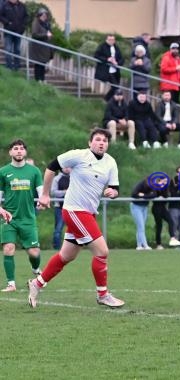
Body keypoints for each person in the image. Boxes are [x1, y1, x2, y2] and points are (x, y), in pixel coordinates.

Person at [28, 128, 124, 308]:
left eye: (105, 140)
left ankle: (37, 284)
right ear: (90, 142)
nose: (101, 142)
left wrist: (113, 192)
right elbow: (50, 167)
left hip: (88, 213)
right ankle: (102, 295)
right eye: (97, 139)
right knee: (102, 251)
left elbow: (115, 188)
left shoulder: (110, 162)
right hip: (74, 211)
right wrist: (45, 195)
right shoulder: (79, 155)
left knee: (66, 255)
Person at [0, 139, 43, 292]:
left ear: (25, 152)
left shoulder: (34, 171)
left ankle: (36, 269)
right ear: (10, 152)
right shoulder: (3, 171)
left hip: (28, 218)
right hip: (9, 218)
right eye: (15, 148)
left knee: (34, 252)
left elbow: (41, 191)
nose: (19, 151)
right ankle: (11, 284)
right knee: (8, 248)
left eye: (21, 149)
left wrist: (42, 201)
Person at [150, 177, 180, 249]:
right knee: (159, 226)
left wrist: (163, 189)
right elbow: (154, 195)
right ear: (159, 180)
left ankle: (172, 238)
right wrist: (159, 187)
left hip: (163, 208)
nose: (165, 182)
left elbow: (166, 196)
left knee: (171, 221)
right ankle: (158, 244)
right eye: (164, 181)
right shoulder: (155, 186)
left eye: (166, 181)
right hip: (156, 208)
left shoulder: (166, 187)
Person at [94, 34, 124, 102]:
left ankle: (108, 100)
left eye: (113, 40)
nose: (111, 41)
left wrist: (117, 63)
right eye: (110, 40)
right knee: (115, 87)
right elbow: (96, 55)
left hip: (115, 70)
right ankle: (106, 99)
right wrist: (107, 59)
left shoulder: (116, 47)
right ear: (106, 40)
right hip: (107, 70)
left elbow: (121, 58)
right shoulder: (102, 46)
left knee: (116, 86)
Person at [0, 0, 28, 71]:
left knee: (17, 50)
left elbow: (26, 16)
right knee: (8, 49)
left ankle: (16, 67)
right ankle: (9, 66)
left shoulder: (22, 6)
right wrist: (7, 22)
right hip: (9, 31)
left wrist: (23, 26)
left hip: (18, 31)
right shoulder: (5, 5)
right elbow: (1, 16)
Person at [130, 176, 156, 250]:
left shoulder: (152, 186)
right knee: (141, 226)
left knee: (141, 226)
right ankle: (145, 245)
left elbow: (153, 195)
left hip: (145, 207)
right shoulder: (140, 185)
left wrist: (143, 195)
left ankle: (139, 245)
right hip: (136, 207)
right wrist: (147, 196)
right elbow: (134, 194)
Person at [29, 8, 52, 82]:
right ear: (39, 15)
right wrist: (46, 35)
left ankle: (42, 79)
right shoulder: (36, 23)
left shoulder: (47, 24)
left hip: (44, 48)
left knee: (43, 64)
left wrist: (49, 35)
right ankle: (37, 79)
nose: (45, 16)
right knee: (38, 64)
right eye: (43, 15)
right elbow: (34, 35)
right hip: (38, 47)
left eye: (45, 15)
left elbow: (49, 32)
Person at [51, 167, 71, 250]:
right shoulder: (57, 179)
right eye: (65, 167)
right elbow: (53, 192)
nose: (67, 169)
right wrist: (65, 192)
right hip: (60, 208)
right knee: (58, 230)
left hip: (73, 208)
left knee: (74, 230)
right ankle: (56, 249)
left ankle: (73, 248)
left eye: (69, 167)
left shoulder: (75, 177)